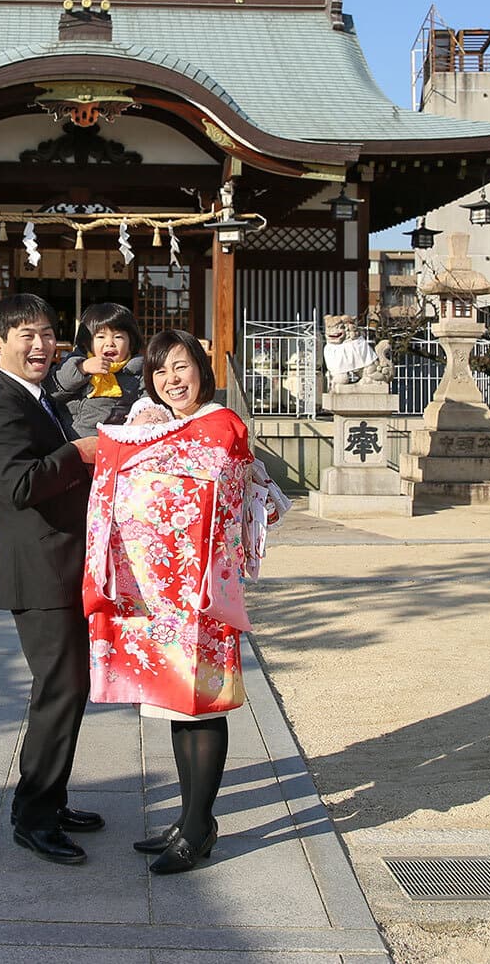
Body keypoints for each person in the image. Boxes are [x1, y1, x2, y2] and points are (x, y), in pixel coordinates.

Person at [82, 329, 289, 874]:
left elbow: (200, 485)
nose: (171, 381)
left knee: (202, 706)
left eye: (181, 367)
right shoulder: (169, 425)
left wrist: (136, 442)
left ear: (202, 369)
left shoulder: (221, 425)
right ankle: (188, 816)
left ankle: (199, 827)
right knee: (177, 704)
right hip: (163, 593)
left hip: (200, 594)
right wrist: (140, 436)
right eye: (158, 372)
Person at [0, 292, 102, 866]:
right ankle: (34, 815)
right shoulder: (1, 406)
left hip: (63, 563)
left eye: (48, 333)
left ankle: (51, 797)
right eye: (26, 334)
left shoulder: (40, 398)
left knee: (69, 690)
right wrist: (78, 453)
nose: (40, 345)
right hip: (41, 571)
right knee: (60, 691)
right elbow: (18, 485)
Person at [48, 302, 145, 434]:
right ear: (87, 343)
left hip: (116, 441)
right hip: (71, 440)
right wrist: (82, 369)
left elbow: (148, 400)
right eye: (100, 337)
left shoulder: (138, 371)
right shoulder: (76, 363)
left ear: (131, 342)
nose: (110, 343)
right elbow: (52, 390)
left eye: (118, 337)